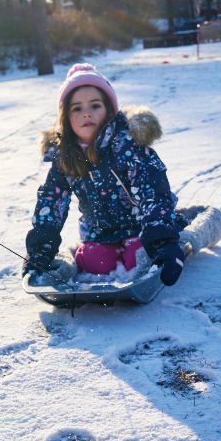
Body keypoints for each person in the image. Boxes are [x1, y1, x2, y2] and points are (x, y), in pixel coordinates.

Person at [24, 63, 186, 285]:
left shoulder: (127, 145)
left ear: (109, 110)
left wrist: (161, 241)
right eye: (77, 108)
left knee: (137, 258)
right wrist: (40, 250)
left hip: (141, 226)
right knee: (93, 264)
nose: (87, 113)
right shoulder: (66, 156)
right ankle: (108, 251)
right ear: (66, 118)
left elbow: (153, 190)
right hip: (100, 232)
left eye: (95, 105)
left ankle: (169, 231)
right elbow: (52, 202)